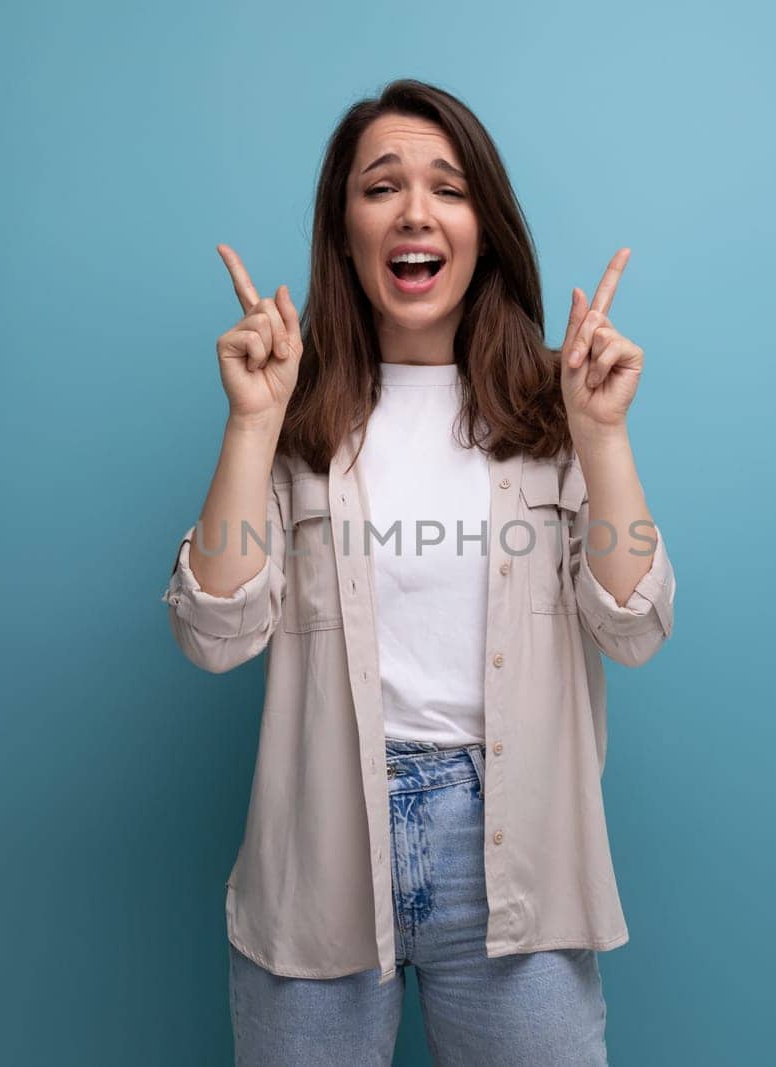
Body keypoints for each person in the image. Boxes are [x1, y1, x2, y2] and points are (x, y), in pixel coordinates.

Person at [162, 78, 676, 1066]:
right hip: (317, 849)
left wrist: (601, 435)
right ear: (344, 229)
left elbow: (633, 624)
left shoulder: (553, 407)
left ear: (483, 225)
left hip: (515, 853)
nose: (414, 211)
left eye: (447, 186)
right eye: (380, 186)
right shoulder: (293, 413)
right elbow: (213, 632)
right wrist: (251, 421)